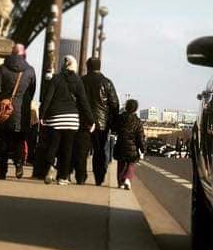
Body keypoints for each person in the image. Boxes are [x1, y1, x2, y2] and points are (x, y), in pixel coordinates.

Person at [38, 54, 93, 186]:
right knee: (67, 150)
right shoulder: (78, 81)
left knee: (53, 146)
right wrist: (91, 120)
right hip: (72, 120)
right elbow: (84, 102)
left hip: (55, 118)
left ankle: (50, 166)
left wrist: (42, 115)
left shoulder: (56, 79)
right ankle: (63, 177)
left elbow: (47, 98)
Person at [0, 42, 36, 180]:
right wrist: (24, 102)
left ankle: (2, 171)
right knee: (20, 140)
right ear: (24, 54)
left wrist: (1, 100)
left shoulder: (3, 68)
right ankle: (19, 163)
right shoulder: (30, 70)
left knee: (3, 141)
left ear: (12, 53)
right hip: (21, 111)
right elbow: (31, 91)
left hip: (5, 109)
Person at [77, 57, 120, 186]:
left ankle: (80, 176)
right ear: (99, 67)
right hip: (102, 123)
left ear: (87, 66)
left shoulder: (81, 81)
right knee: (99, 151)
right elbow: (114, 103)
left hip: (83, 121)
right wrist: (112, 121)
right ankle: (99, 177)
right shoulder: (107, 82)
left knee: (82, 150)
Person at [113, 98, 146, 190]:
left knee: (120, 164)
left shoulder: (120, 118)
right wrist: (143, 149)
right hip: (133, 147)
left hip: (120, 145)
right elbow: (140, 137)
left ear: (126, 107)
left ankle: (120, 183)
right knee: (131, 163)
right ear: (135, 109)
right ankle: (127, 178)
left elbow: (114, 128)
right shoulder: (138, 121)